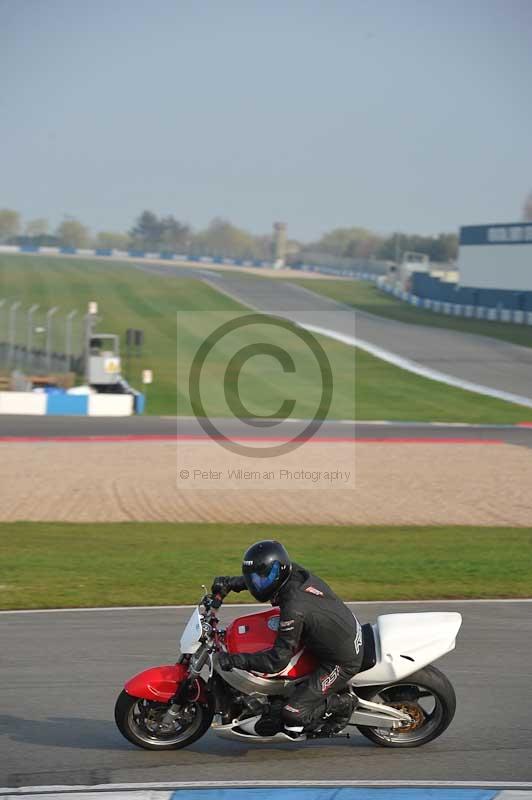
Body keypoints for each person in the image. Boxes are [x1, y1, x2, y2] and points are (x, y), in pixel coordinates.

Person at [212, 539, 364, 735]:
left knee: (293, 716)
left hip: (342, 660)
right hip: (330, 634)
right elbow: (262, 579)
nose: (257, 583)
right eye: (254, 577)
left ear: (279, 571)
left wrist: (236, 660)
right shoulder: (291, 574)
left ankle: (344, 704)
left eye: (261, 578)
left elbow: (277, 660)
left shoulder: (294, 607)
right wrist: (231, 583)